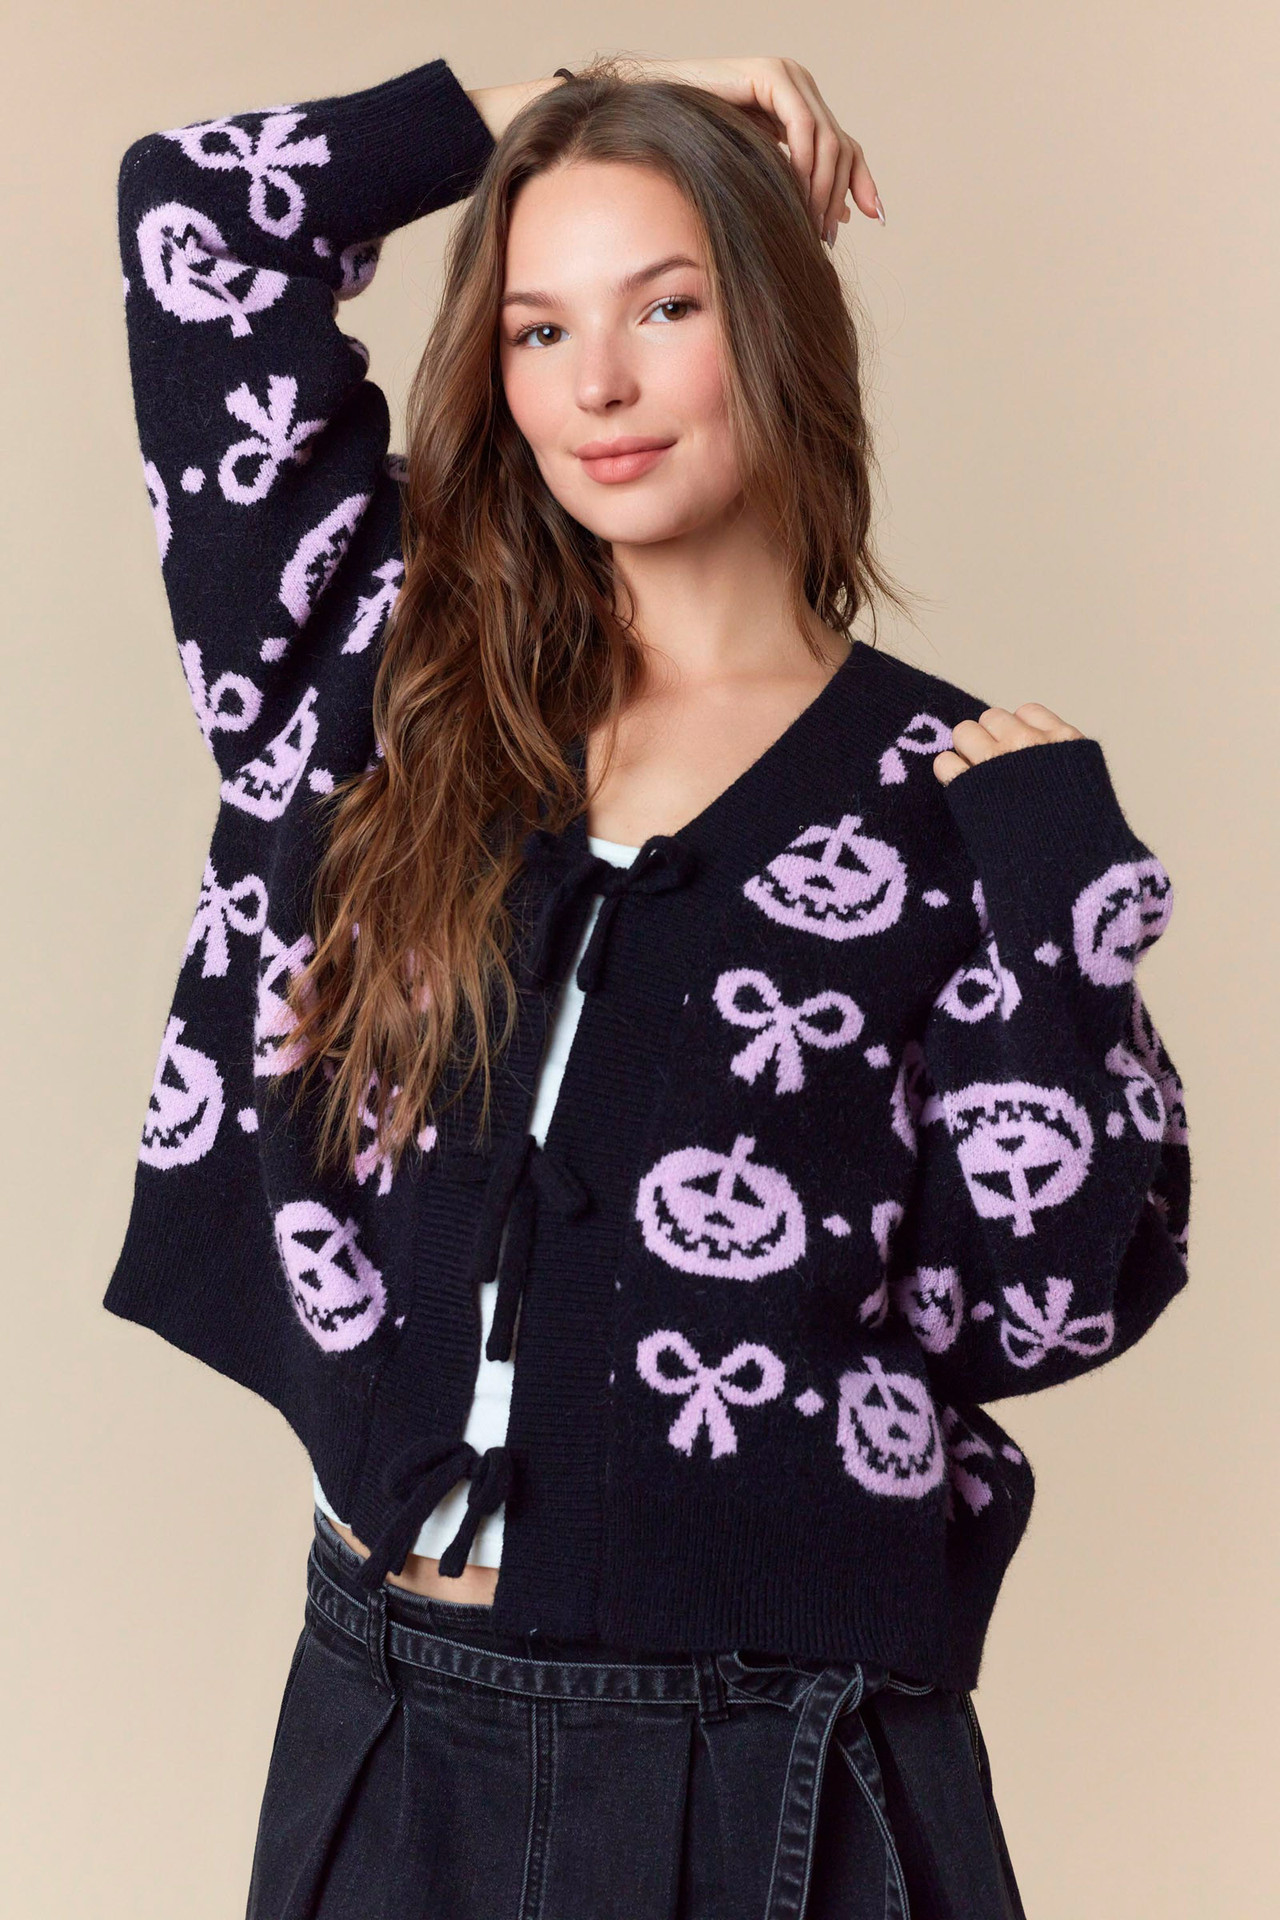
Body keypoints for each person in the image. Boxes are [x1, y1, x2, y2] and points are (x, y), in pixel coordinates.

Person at [106, 48, 1192, 1919]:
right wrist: (570, 101)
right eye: (538, 328)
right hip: (387, 1722)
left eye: (666, 307)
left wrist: (1060, 913)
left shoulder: (946, 801)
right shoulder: (388, 676)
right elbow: (198, 214)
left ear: (779, 324)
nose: (594, 387)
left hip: (779, 1755)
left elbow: (1048, 1296)